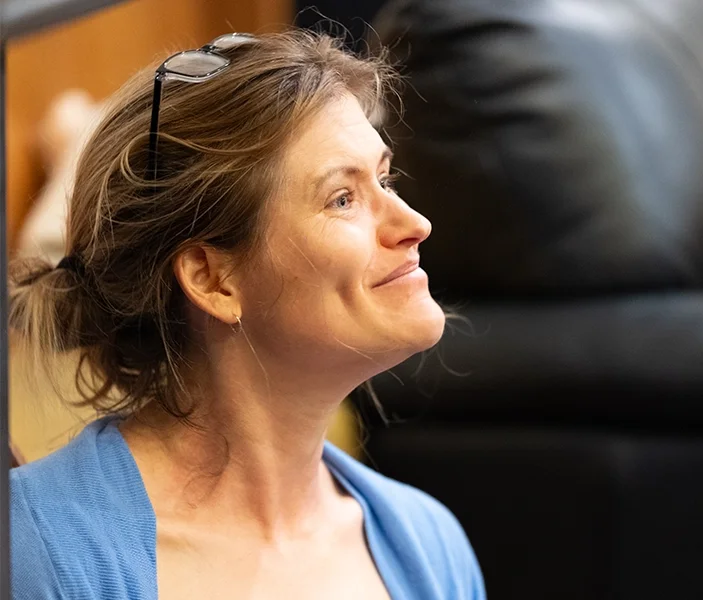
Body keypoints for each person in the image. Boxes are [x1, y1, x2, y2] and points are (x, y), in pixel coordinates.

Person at [9, 30, 485, 599]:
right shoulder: (41, 555)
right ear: (212, 279)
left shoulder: (430, 545)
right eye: (343, 198)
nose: (415, 223)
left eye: (384, 179)